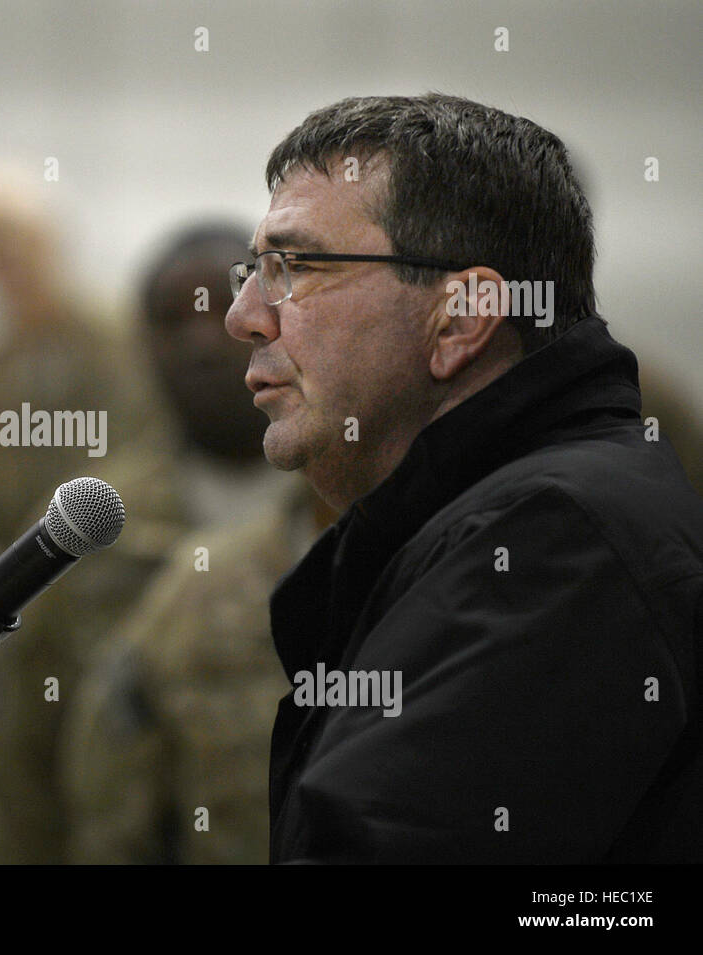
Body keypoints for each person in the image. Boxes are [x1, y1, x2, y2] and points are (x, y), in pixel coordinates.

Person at [224, 93, 703, 863]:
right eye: (254, 269)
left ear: (461, 319)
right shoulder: (502, 519)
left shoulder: (556, 537)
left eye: (296, 266)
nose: (244, 315)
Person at [60, 223, 334, 863]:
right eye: (170, 320)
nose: (201, 343)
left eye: (219, 310)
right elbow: (24, 751)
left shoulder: (342, 498)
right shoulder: (90, 521)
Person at [0, 157, 188, 862]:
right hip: (26, 620)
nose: (6, 263)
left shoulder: (126, 345)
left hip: (126, 591)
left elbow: (163, 463)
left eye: (18, 241)